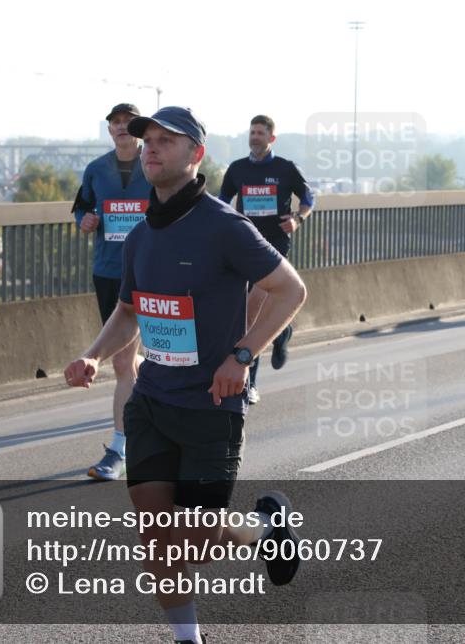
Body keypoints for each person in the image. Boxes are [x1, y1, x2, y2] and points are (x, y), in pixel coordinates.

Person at [64, 107, 307, 644]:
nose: (150, 147)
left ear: (196, 155)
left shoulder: (225, 226)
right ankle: (187, 639)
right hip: (151, 401)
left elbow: (290, 290)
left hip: (210, 407)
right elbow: (129, 312)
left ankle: (267, 530)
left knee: (194, 539)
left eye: (167, 141)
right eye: (147, 139)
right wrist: (94, 356)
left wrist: (242, 356)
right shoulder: (140, 238)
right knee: (157, 535)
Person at [70, 103, 153, 481]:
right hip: (107, 273)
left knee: (121, 363)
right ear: (109, 130)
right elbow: (81, 210)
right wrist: (85, 221)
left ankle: (119, 448)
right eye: (115, 123)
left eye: (127, 123)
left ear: (138, 129)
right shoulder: (96, 170)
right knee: (127, 362)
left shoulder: (154, 165)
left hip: (148, 272)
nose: (121, 128)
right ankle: (149, 398)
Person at [218, 115, 315, 405]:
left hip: (273, 251)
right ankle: (282, 329)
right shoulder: (237, 169)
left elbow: (309, 197)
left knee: (253, 317)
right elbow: (222, 202)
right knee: (246, 316)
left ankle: (251, 384)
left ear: (271, 139)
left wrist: (298, 218)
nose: (255, 137)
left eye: (261, 133)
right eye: (252, 132)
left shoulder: (285, 168)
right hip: (241, 250)